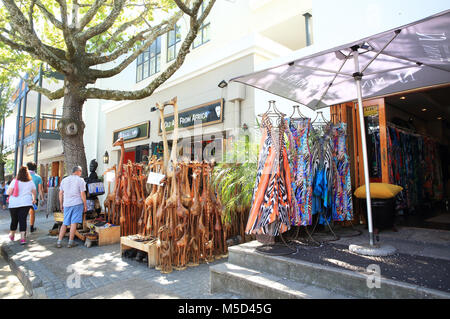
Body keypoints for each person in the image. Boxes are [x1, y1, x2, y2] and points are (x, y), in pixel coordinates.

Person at [56, 166, 87, 248]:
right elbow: (82, 194)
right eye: (80, 172)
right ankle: (70, 242)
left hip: (66, 204)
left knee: (65, 223)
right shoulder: (80, 180)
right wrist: (85, 204)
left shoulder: (64, 180)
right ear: (78, 171)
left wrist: (61, 204)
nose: (81, 173)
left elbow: (60, 193)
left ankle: (59, 241)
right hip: (77, 203)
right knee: (74, 223)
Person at [6, 166, 37, 245]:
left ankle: (12, 235)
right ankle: (23, 238)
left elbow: (8, 193)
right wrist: (34, 199)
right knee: (22, 219)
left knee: (14, 219)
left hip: (14, 203)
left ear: (18, 173)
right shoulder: (30, 182)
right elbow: (34, 192)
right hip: (26, 203)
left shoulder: (15, 181)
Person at [26, 162, 44, 232]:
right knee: (32, 213)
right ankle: (31, 227)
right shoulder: (38, 177)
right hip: (34, 198)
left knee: (23, 213)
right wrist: (42, 199)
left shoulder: (24, 176)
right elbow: (40, 189)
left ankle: (22, 228)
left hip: (24, 198)